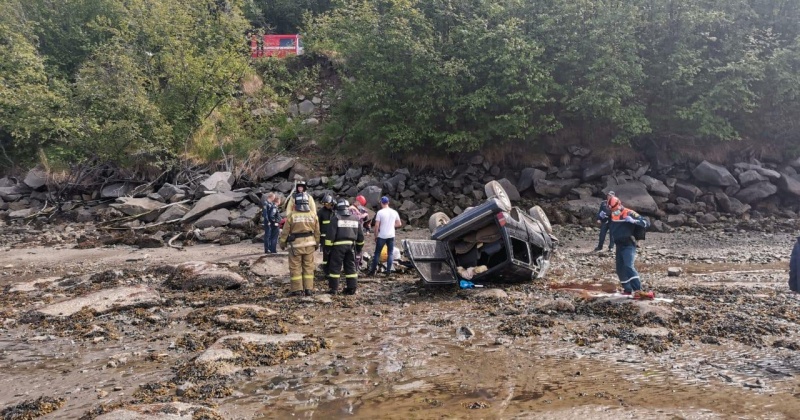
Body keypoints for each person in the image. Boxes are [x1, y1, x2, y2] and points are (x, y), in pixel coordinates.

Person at [279, 192, 320, 297]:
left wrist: (282, 244)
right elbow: (317, 232)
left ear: (296, 203)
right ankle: (308, 289)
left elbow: (285, 232)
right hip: (310, 244)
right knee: (308, 267)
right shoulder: (313, 215)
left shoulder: (292, 215)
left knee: (295, 267)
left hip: (295, 245)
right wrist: (316, 244)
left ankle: (297, 290)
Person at [607, 196, 649, 294]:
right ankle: (627, 289)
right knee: (620, 268)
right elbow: (605, 222)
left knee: (628, 266)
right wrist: (601, 216)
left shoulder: (629, 213)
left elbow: (645, 222)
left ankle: (637, 289)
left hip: (628, 244)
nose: (614, 212)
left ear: (619, 204)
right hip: (619, 244)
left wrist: (634, 221)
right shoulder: (611, 214)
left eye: (615, 209)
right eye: (612, 210)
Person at [326, 199, 365, 295]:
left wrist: (328, 248)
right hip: (351, 246)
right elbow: (361, 236)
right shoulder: (355, 219)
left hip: (338, 247)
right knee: (350, 267)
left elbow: (330, 235)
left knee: (335, 268)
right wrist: (359, 248)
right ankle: (352, 288)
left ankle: (334, 289)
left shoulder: (336, 218)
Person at [367, 196, 401, 277]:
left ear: (381, 203)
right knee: (390, 253)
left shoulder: (380, 212)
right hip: (391, 235)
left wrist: (375, 235)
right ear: (388, 202)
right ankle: (388, 271)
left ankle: (372, 271)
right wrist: (392, 225)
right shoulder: (394, 212)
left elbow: (376, 226)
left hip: (382, 235)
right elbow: (399, 224)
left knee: (377, 253)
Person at [317, 194, 336, 277]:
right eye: (325, 204)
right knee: (326, 255)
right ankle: (326, 271)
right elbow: (317, 225)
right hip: (324, 238)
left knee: (334, 254)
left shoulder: (335, 212)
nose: (326, 205)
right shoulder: (321, 212)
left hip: (334, 237)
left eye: (327, 204)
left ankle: (333, 270)